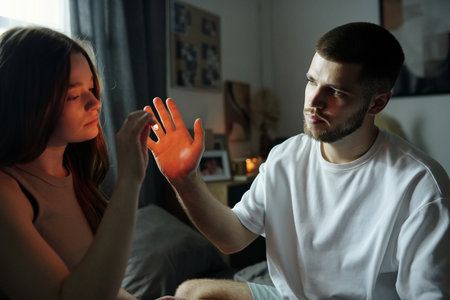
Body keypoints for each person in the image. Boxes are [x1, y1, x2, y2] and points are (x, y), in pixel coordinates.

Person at [146, 22, 450, 299]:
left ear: (378, 102)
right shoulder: (285, 157)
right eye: (311, 81)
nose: (314, 101)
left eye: (335, 91)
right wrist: (185, 181)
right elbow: (231, 238)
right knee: (189, 292)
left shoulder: (421, 186)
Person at [0, 26, 162, 300]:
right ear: (26, 101)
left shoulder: (73, 174)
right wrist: (130, 180)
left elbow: (96, 279)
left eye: (91, 87)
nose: (95, 102)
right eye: (73, 95)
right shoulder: (8, 193)